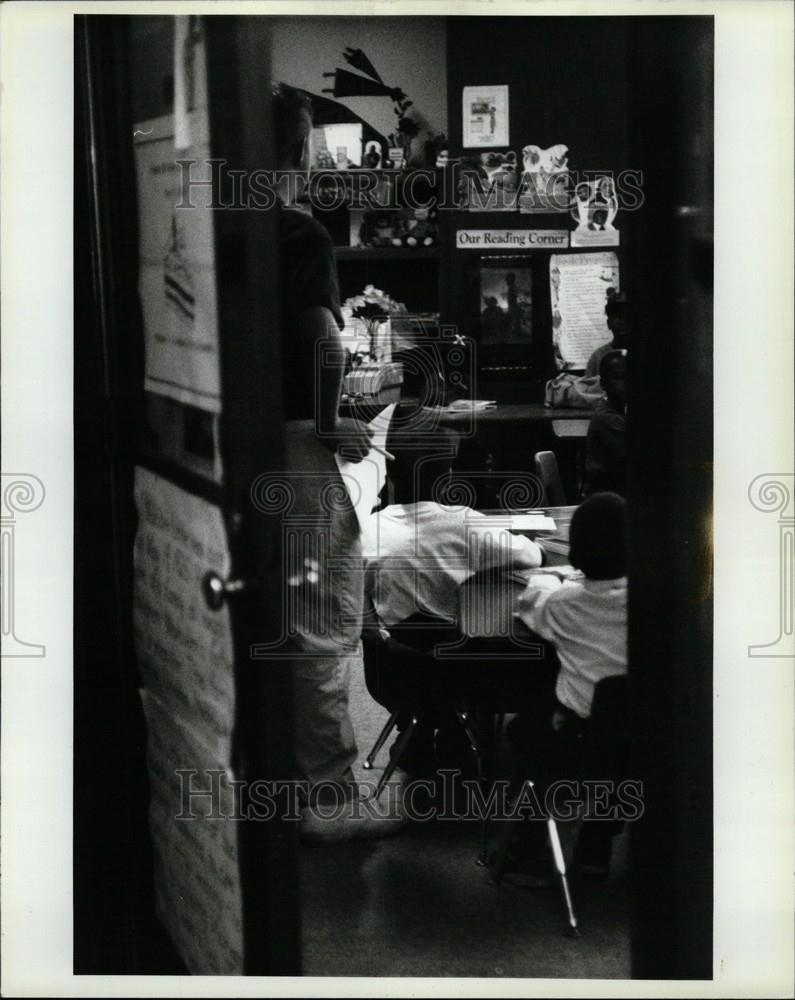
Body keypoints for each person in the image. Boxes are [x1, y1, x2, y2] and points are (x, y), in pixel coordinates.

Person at [271, 84, 404, 844]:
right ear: (296, 151)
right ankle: (326, 802)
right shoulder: (298, 233)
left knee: (266, 623)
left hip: (232, 447)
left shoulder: (206, 219)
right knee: (319, 627)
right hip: (294, 449)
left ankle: (276, 789)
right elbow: (323, 338)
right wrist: (333, 421)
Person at [361, 429, 551, 776]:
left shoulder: (367, 528)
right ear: (447, 478)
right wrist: (530, 543)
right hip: (456, 669)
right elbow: (532, 555)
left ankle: (425, 731)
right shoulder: (461, 522)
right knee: (534, 648)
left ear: (388, 477)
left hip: (388, 670)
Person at [500, 492, 628, 884]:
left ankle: (530, 846)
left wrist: (547, 579)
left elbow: (530, 607)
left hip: (578, 747)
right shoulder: (665, 601)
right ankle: (596, 839)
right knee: (621, 736)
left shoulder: (564, 605)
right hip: (662, 743)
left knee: (524, 730)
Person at [584, 350, 627, 497]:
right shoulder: (607, 418)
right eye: (618, 378)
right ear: (603, 384)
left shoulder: (619, 411)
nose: (627, 383)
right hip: (606, 499)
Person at [584, 290, 627, 378]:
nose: (621, 321)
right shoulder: (597, 358)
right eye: (615, 316)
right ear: (609, 323)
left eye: (625, 315)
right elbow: (588, 389)